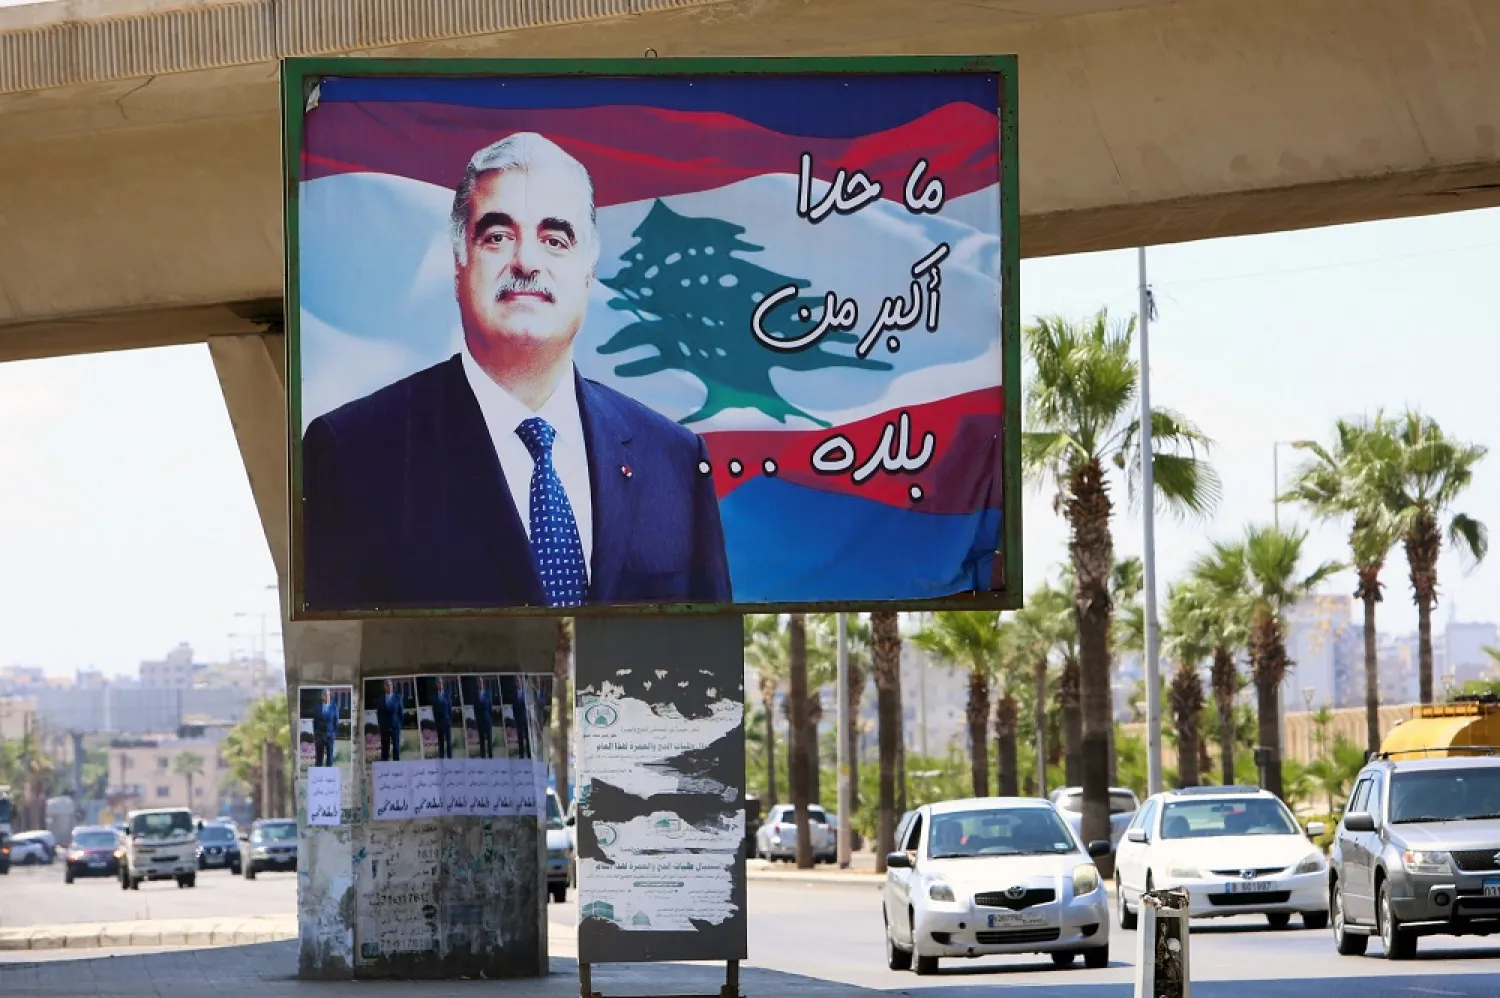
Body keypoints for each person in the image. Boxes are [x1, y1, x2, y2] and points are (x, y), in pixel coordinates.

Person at [301, 132, 732, 612]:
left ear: (588, 273)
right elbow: (337, 665)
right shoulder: (354, 452)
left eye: (554, 239)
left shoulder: (674, 459)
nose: (526, 261)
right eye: (498, 236)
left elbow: (704, 667)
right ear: (459, 266)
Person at [377, 679, 404, 762]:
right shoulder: (380, 698)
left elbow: (401, 712)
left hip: (395, 727)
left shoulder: (397, 697)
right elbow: (379, 714)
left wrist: (399, 725)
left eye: (391, 685)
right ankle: (384, 767)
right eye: (388, 685)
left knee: (396, 747)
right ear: (384, 687)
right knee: (385, 749)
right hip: (384, 727)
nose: (390, 687)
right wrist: (381, 725)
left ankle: (396, 768)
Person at [315, 689, 339, 767]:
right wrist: (316, 734)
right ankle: (318, 776)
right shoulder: (317, 708)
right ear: (322, 697)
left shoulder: (334, 708)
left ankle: (329, 775)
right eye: (326, 695)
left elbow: (336, 722)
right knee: (319, 758)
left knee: (330, 758)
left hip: (330, 736)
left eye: (329, 695)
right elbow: (315, 722)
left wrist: (334, 734)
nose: (328, 697)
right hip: (319, 736)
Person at [433, 679, 454, 759]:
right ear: (437, 685)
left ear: (443, 684)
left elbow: (450, 709)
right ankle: (441, 758)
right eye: (438, 683)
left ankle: (450, 758)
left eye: (441, 683)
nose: (440, 685)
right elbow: (434, 710)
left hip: (446, 721)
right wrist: (436, 722)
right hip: (439, 722)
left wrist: (449, 720)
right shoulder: (435, 697)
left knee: (448, 741)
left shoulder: (447, 695)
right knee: (440, 742)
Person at [475, 679, 495, 759]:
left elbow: (490, 709)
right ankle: (483, 758)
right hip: (480, 722)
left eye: (482, 682)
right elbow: (475, 709)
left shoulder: (487, 693)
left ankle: (490, 758)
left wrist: (490, 720)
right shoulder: (475, 694)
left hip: (487, 721)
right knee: (482, 742)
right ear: (477, 683)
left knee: (489, 742)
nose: (481, 683)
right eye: (479, 682)